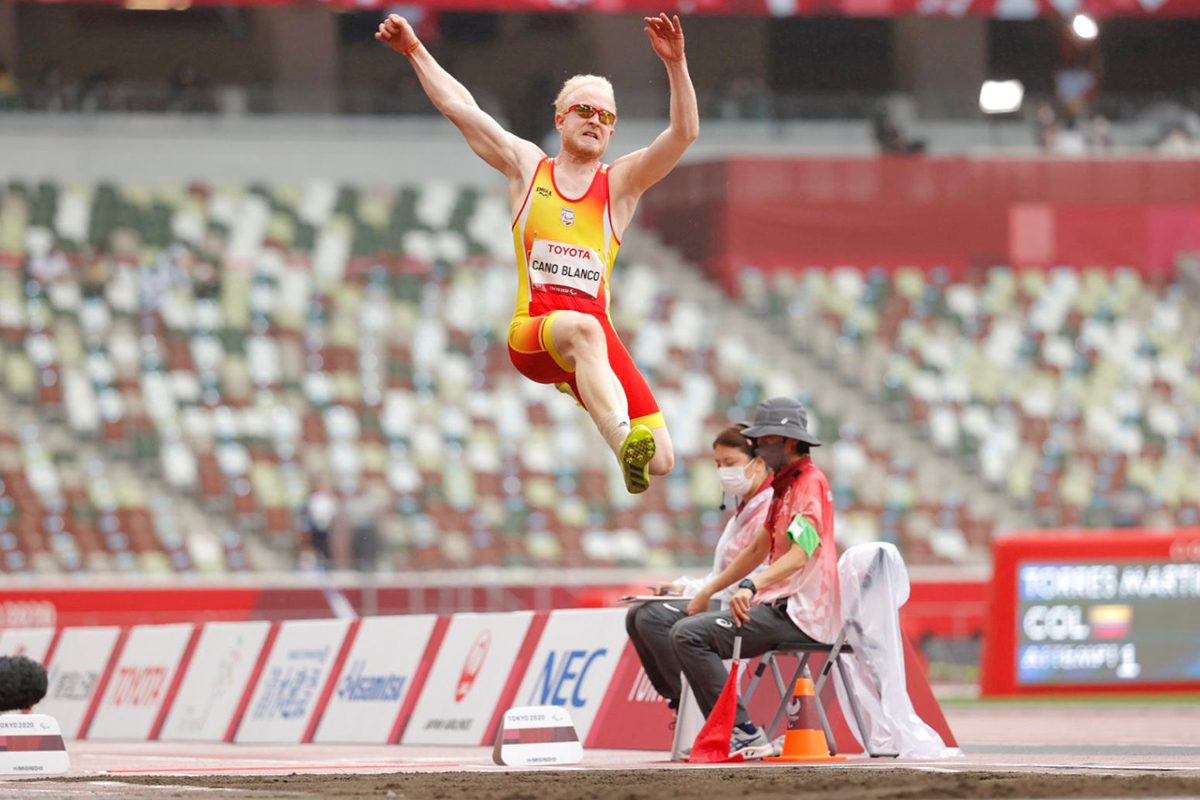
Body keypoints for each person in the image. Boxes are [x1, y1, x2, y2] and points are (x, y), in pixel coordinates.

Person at [376, 12, 699, 494]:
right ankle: (618, 437)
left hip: (590, 335)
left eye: (605, 117)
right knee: (587, 331)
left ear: (612, 133)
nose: (595, 121)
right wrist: (415, 50)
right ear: (560, 118)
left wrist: (676, 64)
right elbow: (462, 109)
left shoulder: (620, 185)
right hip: (534, 333)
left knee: (664, 461)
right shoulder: (528, 168)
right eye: (584, 111)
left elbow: (683, 135)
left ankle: (597, 401)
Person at [670, 396, 840, 759]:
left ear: (790, 442)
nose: (758, 446)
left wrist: (751, 585)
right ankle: (732, 731)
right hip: (779, 607)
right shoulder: (783, 486)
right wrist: (710, 590)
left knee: (690, 634)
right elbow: (757, 551)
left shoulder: (808, 484)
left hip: (799, 614)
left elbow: (799, 555)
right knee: (688, 630)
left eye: (766, 440)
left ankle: (742, 733)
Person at [625, 425, 772, 710]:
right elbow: (722, 574)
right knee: (636, 615)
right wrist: (682, 588)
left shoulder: (768, 507)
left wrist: (700, 591)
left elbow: (753, 573)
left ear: (758, 463)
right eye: (718, 464)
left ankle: (694, 698)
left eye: (730, 463)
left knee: (653, 617)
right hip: (721, 596)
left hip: (747, 604)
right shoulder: (742, 512)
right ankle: (682, 698)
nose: (722, 472)